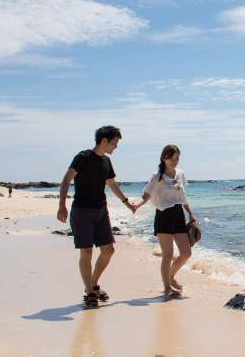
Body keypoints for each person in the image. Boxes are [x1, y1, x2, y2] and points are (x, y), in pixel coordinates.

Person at [57, 125, 135, 307]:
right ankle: (91, 291)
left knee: (108, 250)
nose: (116, 146)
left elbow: (111, 184)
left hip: (101, 211)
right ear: (104, 141)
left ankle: (91, 284)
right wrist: (62, 206)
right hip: (82, 211)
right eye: (114, 142)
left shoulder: (106, 162)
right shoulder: (82, 157)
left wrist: (126, 202)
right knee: (87, 251)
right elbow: (66, 180)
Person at [133, 144, 195, 299]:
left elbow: (182, 197)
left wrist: (191, 214)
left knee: (186, 253)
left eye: (177, 158)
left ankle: (171, 276)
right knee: (168, 255)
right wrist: (138, 205)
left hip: (178, 215)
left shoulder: (180, 174)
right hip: (163, 216)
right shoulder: (157, 176)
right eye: (171, 158)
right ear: (164, 158)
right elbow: (147, 194)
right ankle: (167, 287)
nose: (174, 161)